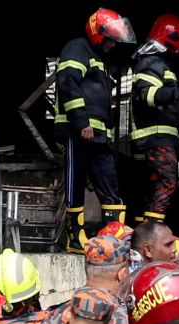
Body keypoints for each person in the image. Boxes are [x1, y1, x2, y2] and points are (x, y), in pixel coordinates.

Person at [56, 8, 136, 253]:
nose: (113, 44)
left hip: (99, 136)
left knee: (110, 185)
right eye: (110, 39)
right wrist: (81, 122)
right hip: (78, 131)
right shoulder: (77, 49)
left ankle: (114, 241)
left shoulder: (99, 58)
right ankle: (74, 237)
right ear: (98, 33)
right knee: (75, 183)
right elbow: (67, 82)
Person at [131, 15, 179, 224]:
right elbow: (147, 96)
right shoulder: (151, 63)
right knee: (168, 182)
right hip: (155, 137)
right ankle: (153, 230)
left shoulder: (160, 64)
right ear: (172, 37)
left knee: (153, 186)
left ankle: (145, 232)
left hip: (161, 138)